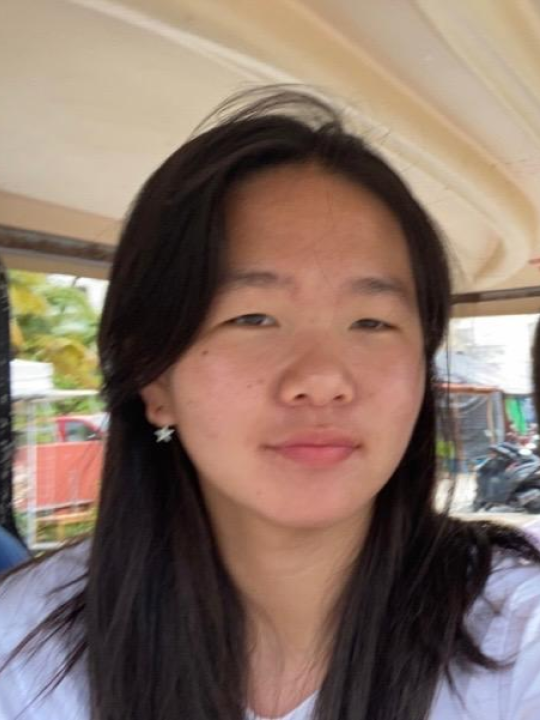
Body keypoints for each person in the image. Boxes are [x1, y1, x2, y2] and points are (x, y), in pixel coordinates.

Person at [1, 87, 540, 720]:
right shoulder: (26, 649)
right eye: (254, 317)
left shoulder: (517, 631)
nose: (323, 379)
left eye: (371, 321)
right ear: (155, 380)